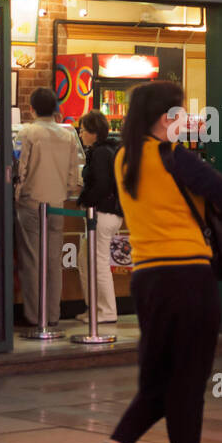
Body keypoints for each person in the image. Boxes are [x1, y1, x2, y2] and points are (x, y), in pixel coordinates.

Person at [86, 81, 222, 443]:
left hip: (148, 279)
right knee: (188, 383)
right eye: (182, 112)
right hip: (188, 277)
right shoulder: (175, 158)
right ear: (166, 116)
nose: (186, 119)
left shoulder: (123, 159)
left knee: (158, 381)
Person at [15, 87, 82, 328]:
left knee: (32, 260)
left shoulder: (27, 132)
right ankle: (53, 314)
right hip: (57, 205)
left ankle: (35, 316)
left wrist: (17, 192)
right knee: (54, 260)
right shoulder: (68, 134)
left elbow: (19, 168)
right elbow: (73, 175)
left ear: (31, 108)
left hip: (32, 203)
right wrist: (64, 193)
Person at [76, 109, 122, 325]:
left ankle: (107, 310)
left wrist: (85, 198)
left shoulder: (101, 153)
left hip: (103, 214)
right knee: (85, 260)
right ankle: (94, 307)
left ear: (94, 132)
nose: (80, 134)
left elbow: (102, 185)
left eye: (83, 130)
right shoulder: (106, 150)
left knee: (99, 261)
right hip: (104, 213)